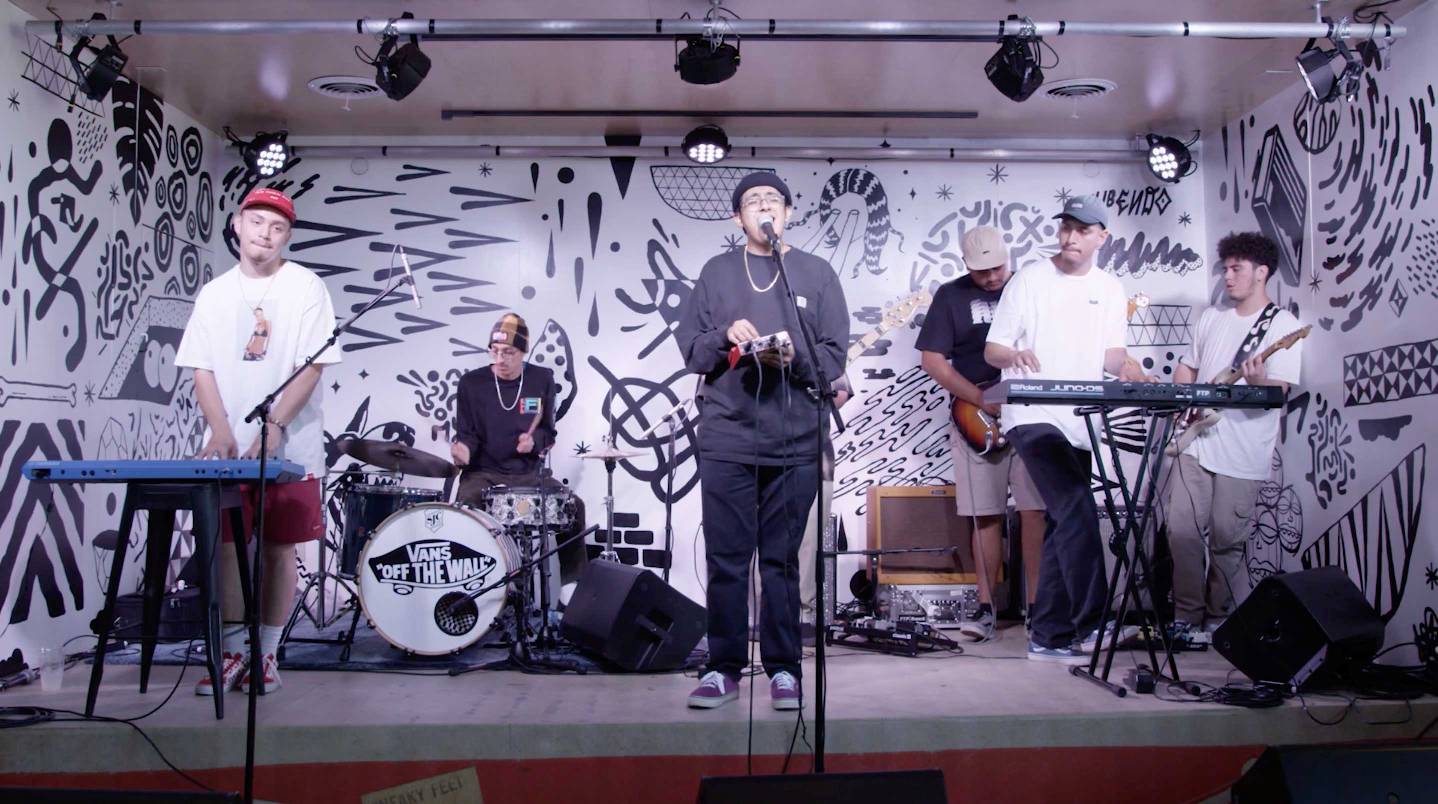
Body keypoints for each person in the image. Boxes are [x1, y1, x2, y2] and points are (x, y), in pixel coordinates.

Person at [676, 172, 849, 710]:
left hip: (795, 440)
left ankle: (784, 670)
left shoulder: (816, 273)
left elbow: (833, 357)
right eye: (752, 201)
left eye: (773, 199)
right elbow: (692, 350)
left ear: (788, 212)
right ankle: (723, 667)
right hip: (728, 436)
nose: (763, 206)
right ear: (737, 218)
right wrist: (725, 335)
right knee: (728, 559)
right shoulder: (717, 272)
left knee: (781, 562)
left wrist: (793, 355)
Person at [177, 187, 340, 694]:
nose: (265, 234)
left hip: (292, 448)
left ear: (287, 235)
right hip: (227, 449)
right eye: (256, 222)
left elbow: (313, 365)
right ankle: (231, 654)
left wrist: (275, 426)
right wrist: (221, 429)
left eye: (277, 227)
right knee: (225, 549)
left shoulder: (306, 287)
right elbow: (200, 367)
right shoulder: (214, 293)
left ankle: (266, 656)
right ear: (237, 223)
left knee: (278, 548)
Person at [983, 195, 1153, 664]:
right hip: (1031, 414)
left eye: (1083, 230)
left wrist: (1131, 368)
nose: (1071, 237)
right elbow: (993, 349)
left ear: (1102, 237)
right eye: (1066, 228)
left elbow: (1111, 356)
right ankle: (1093, 623)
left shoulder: (1111, 288)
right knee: (1077, 504)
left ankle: (1049, 635)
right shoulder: (1029, 280)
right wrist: (1014, 355)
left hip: (1079, 421)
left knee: (1065, 518)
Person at [1166, 232, 1302, 640]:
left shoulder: (1282, 326)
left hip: (1243, 450)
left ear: (1262, 272)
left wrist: (1257, 383)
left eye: (1236, 268)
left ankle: (1217, 617)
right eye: (1225, 268)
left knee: (1228, 538)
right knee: (1181, 531)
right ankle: (1185, 617)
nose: (1227, 276)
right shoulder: (1211, 317)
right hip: (1195, 442)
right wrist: (1183, 398)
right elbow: (1187, 367)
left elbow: (1278, 391)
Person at [917, 226, 1046, 641]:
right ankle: (986, 608)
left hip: (1031, 413)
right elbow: (933, 360)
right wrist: (979, 398)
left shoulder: (1031, 287)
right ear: (965, 265)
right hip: (975, 417)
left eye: (998, 268)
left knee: (1035, 511)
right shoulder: (951, 296)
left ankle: (1039, 611)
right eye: (981, 271)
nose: (991, 277)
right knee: (984, 514)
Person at [451, 313, 586, 584]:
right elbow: (466, 434)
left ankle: (572, 586)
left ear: (523, 351)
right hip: (483, 474)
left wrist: (534, 442)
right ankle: (468, 587)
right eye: (495, 351)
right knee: (464, 512)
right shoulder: (471, 384)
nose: (500, 359)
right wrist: (463, 450)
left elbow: (548, 431)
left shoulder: (542, 379)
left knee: (574, 508)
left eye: (508, 352)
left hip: (528, 475)